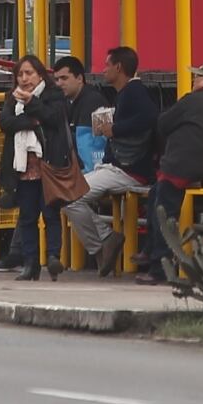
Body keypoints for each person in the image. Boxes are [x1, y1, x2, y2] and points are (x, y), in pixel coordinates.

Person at [62, 45, 161, 275]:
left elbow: (150, 117)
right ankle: (104, 242)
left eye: (107, 65)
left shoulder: (134, 91)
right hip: (118, 167)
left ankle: (105, 241)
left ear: (119, 67)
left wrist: (115, 129)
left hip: (127, 170)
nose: (103, 70)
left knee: (68, 196)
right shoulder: (127, 92)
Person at [146, 62, 203, 285]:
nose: (193, 80)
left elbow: (163, 123)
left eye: (197, 77)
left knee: (163, 212)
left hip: (180, 165)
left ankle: (159, 268)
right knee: (154, 195)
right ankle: (148, 250)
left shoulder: (192, 100)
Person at [0, 52, 76, 282]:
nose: (24, 78)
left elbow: (53, 118)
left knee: (51, 214)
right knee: (27, 216)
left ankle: (53, 257)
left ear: (40, 75)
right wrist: (32, 121)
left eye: (29, 73)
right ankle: (30, 264)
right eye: (20, 74)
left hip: (48, 165)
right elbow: (6, 122)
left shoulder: (53, 94)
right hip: (23, 168)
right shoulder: (12, 97)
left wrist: (32, 104)